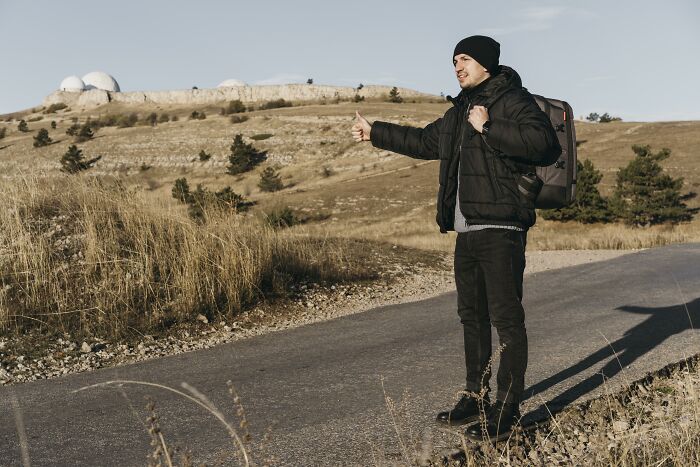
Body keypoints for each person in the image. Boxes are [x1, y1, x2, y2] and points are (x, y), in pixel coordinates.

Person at [351, 35, 561, 441]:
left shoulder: (513, 100)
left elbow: (543, 145)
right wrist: (374, 130)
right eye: (454, 60)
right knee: (472, 318)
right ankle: (476, 397)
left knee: (506, 320)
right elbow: (425, 142)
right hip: (467, 230)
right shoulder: (460, 110)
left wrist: (489, 127)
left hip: (502, 228)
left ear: (485, 63)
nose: (457, 66)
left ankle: (507, 407)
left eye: (464, 59)